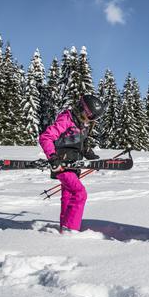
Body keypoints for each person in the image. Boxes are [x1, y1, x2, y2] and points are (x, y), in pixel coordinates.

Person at [39, 94, 107, 233]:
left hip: (74, 165)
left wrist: (91, 156)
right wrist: (52, 158)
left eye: (93, 117)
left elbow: (81, 144)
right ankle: (71, 230)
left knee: (68, 196)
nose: (90, 119)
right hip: (61, 165)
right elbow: (45, 137)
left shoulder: (82, 124)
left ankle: (64, 229)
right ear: (81, 108)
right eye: (89, 115)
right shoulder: (66, 119)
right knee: (80, 193)